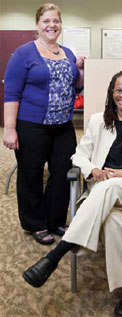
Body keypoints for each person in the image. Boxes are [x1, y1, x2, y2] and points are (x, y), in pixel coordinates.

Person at [22, 70, 122, 316]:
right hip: (106, 192)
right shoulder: (97, 120)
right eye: (119, 90)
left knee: (109, 186)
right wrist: (93, 170)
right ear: (112, 93)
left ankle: (58, 253)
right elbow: (79, 155)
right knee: (113, 220)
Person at [3, 3, 86, 245]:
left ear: (61, 25)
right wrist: (9, 128)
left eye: (56, 21)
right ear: (37, 26)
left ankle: (55, 220)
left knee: (63, 173)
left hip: (63, 126)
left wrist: (79, 68)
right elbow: (11, 92)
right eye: (46, 21)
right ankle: (36, 223)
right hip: (31, 125)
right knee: (31, 174)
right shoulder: (24, 53)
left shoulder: (68, 53)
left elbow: (78, 86)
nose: (52, 25)